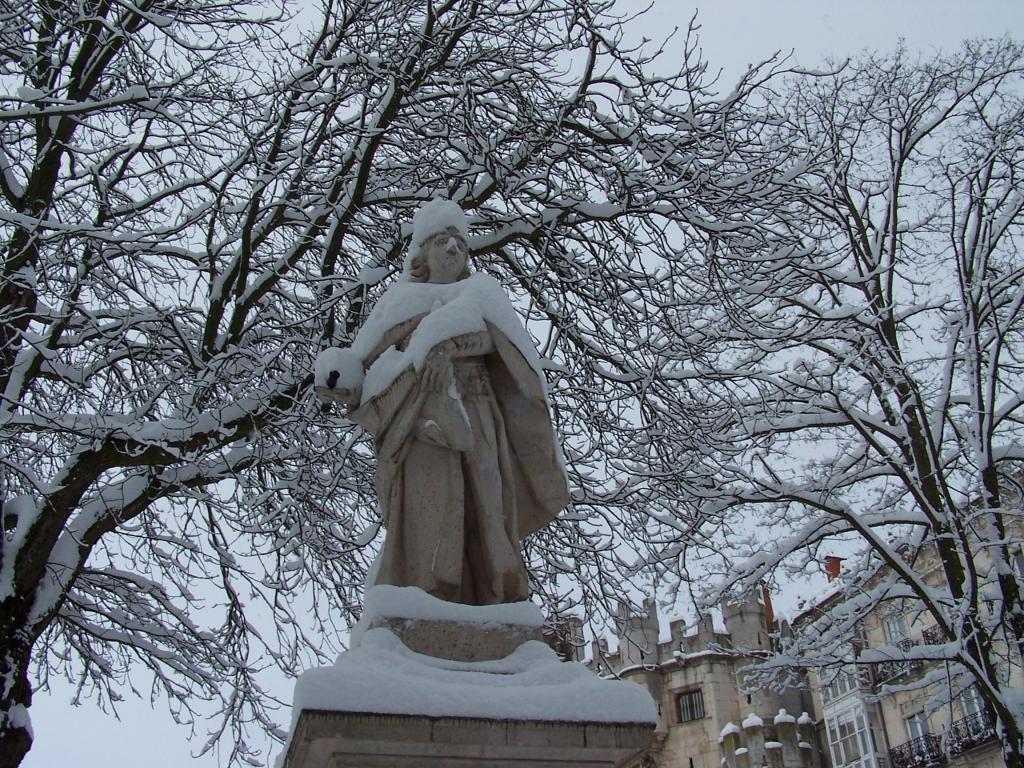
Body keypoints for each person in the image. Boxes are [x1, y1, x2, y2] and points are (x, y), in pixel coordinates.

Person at [316, 199, 568, 605]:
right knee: (433, 502)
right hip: (421, 421)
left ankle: (492, 593)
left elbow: (506, 347)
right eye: (442, 240)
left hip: (479, 409)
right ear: (423, 252)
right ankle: (426, 591)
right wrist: (336, 376)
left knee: (488, 506)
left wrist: (446, 343)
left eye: (460, 243)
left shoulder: (482, 292)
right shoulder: (400, 301)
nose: (453, 249)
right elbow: (360, 361)